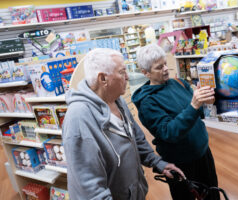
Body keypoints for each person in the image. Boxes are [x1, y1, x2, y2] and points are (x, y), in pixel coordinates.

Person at [62, 48, 185, 200]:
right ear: (103, 79)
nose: (127, 77)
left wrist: (156, 162)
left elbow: (136, 137)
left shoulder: (116, 99)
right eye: (121, 72)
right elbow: (90, 188)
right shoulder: (79, 118)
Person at [132, 44, 219, 200]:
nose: (165, 69)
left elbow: (198, 113)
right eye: (159, 67)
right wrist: (194, 105)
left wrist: (206, 102)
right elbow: (169, 132)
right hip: (181, 164)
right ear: (146, 73)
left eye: (165, 64)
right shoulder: (147, 103)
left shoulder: (179, 83)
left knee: (212, 194)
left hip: (203, 153)